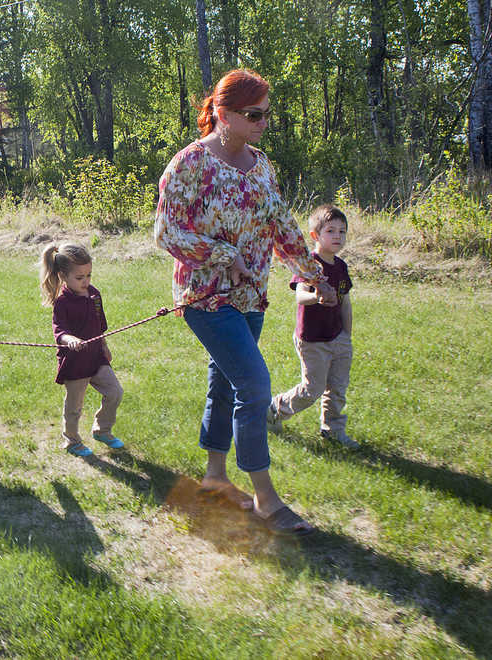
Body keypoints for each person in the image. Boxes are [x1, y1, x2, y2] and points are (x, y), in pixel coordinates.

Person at [154, 68, 336, 537]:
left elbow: (282, 226)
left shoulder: (261, 164)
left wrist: (314, 274)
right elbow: (167, 232)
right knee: (255, 385)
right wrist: (222, 254)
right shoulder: (189, 164)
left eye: (266, 115)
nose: (263, 123)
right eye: (253, 115)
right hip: (205, 298)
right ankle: (266, 499)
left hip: (252, 295)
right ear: (222, 113)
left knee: (225, 383)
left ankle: (215, 478)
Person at [268, 205, 357, 449]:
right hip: (312, 339)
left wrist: (346, 335)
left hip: (337, 338)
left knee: (337, 388)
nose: (338, 236)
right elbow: (300, 296)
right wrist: (317, 297)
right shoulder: (309, 264)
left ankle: (333, 430)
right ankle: (274, 409)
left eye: (342, 231)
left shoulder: (340, 266)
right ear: (315, 236)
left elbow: (345, 301)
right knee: (313, 389)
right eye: (331, 231)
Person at [39, 242, 125, 457]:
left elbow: (99, 325)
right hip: (75, 363)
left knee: (115, 392)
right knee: (74, 407)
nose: (86, 281)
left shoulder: (94, 295)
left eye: (89, 275)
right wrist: (71, 340)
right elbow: (59, 331)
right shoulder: (62, 302)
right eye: (80, 278)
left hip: (96, 358)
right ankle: (72, 441)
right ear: (63, 276)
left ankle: (102, 429)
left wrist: (104, 346)